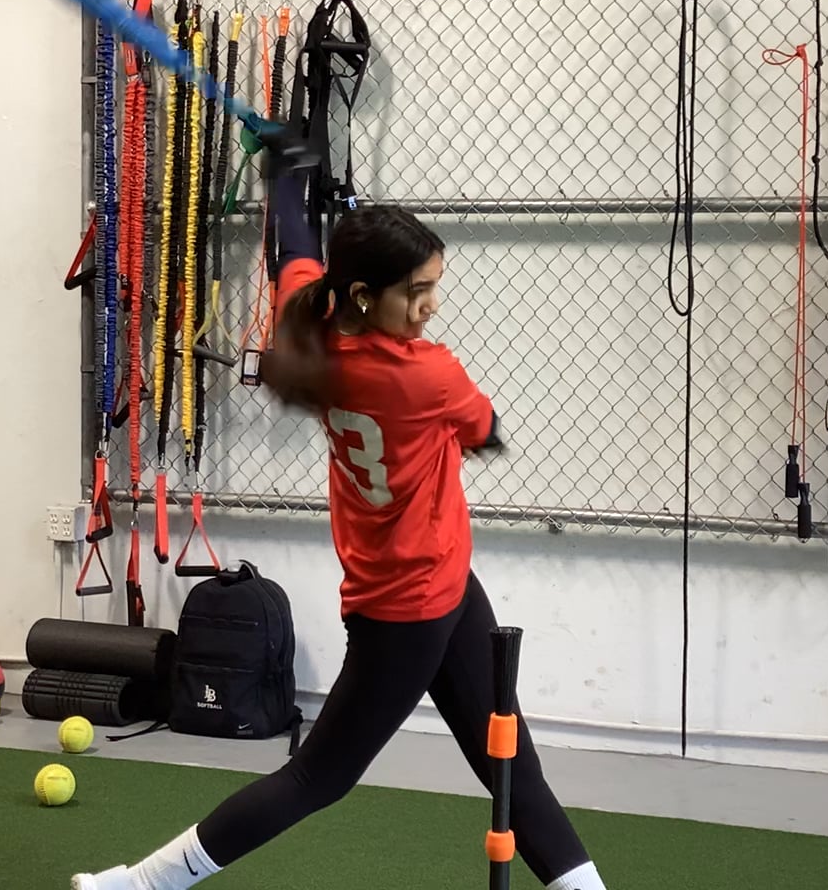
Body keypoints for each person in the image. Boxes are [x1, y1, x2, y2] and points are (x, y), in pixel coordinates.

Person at [71, 132, 608, 890]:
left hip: (445, 584)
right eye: (416, 292)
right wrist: (290, 175)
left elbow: (294, 248)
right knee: (315, 777)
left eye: (434, 286)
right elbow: (485, 428)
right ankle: (141, 885)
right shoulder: (424, 374)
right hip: (405, 609)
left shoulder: (313, 324)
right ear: (363, 295)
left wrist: (284, 174)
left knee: (511, 768)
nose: (431, 306)